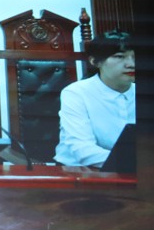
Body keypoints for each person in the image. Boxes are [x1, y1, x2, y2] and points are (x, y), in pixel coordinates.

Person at [54, 31, 135, 168]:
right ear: (95, 61)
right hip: (77, 171)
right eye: (119, 56)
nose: (131, 64)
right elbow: (84, 151)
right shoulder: (76, 93)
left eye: (135, 57)